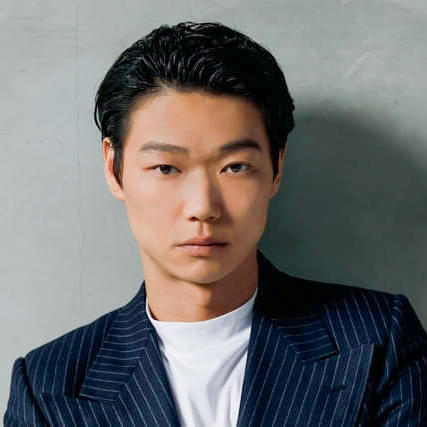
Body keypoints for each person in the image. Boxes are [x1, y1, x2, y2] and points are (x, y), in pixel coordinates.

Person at [4, 21, 427, 426]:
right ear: (114, 168)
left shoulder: (378, 341)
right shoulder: (48, 387)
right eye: (166, 168)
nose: (203, 207)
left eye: (235, 167)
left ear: (276, 168)